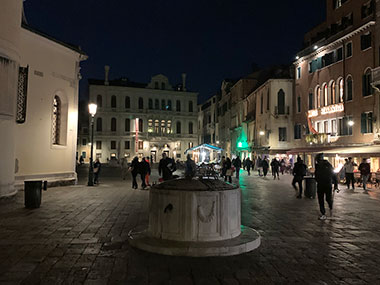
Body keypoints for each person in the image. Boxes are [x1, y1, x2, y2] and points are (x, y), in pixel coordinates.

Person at [315, 153, 334, 220]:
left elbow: (332, 174)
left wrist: (335, 183)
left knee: (328, 198)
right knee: (321, 199)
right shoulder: (317, 166)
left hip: (327, 184)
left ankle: (330, 206)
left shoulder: (327, 165)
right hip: (320, 184)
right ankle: (323, 213)